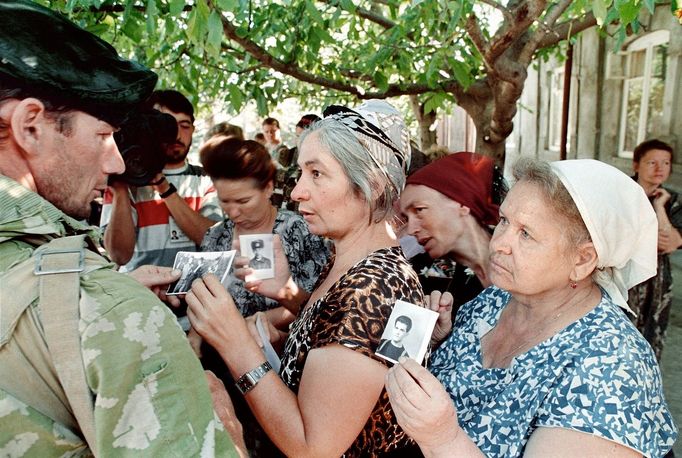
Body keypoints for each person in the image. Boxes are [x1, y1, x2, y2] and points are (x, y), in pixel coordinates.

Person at [0, 1, 241, 455]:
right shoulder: (111, 314)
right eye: (102, 136)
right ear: (30, 127)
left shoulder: (91, 303)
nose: (116, 161)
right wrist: (227, 428)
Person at [385, 158, 678, 457]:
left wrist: (442, 439)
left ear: (582, 260)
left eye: (526, 233)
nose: (499, 243)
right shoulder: (496, 300)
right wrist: (435, 342)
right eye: (504, 221)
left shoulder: (612, 366)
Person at [187, 100, 425, 457]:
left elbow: (314, 449)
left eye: (317, 174)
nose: (297, 192)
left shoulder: (373, 288)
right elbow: (350, 356)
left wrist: (236, 343)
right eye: (301, 173)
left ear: (372, 185)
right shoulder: (367, 269)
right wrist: (286, 298)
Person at [199, 136, 329, 318]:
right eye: (225, 201)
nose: (233, 212)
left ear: (268, 188)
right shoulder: (215, 236)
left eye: (243, 201)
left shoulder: (299, 231)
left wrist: (256, 323)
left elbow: (320, 305)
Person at [101, 89, 222, 271]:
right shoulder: (126, 182)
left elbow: (214, 241)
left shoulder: (206, 179)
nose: (176, 135)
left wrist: (163, 187)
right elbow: (119, 255)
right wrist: (120, 190)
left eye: (184, 125)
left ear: (193, 130)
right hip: (141, 293)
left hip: (193, 292)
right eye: (167, 125)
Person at [400, 152, 507, 312]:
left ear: (462, 203)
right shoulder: (414, 278)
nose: (411, 229)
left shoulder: (521, 254)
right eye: (407, 218)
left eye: (419, 210)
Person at [628, 139, 682, 362]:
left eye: (666, 163)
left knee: (652, 337)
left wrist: (660, 207)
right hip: (625, 276)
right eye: (652, 162)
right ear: (636, 165)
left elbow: (668, 242)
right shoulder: (621, 193)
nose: (660, 169)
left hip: (657, 281)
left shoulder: (673, 200)